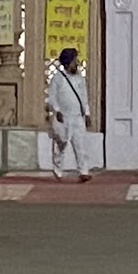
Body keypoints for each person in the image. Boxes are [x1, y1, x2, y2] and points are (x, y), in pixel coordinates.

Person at [45, 47, 92, 181]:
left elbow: (84, 97)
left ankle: (84, 171)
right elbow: (52, 96)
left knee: (80, 145)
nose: (76, 63)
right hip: (63, 118)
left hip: (77, 117)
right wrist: (57, 110)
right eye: (74, 60)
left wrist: (87, 113)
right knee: (61, 145)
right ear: (67, 62)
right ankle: (58, 170)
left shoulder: (79, 79)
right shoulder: (57, 79)